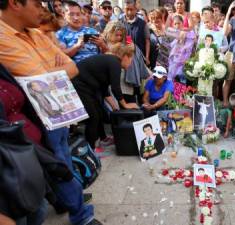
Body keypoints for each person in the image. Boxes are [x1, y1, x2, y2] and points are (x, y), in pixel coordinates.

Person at [0, 0, 102, 223]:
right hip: (35, 117)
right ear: (14, 4)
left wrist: (50, 73)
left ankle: (70, 200)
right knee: (59, 167)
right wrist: (52, 71)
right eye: (37, 4)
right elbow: (37, 78)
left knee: (64, 160)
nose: (43, 10)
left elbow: (72, 67)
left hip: (60, 112)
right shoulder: (3, 37)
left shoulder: (35, 33)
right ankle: (80, 215)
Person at [72, 44, 138, 148]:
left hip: (88, 87)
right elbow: (115, 88)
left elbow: (104, 88)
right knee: (93, 117)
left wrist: (114, 106)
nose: (130, 64)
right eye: (131, 60)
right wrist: (125, 105)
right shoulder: (115, 63)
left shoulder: (111, 62)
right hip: (80, 85)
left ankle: (102, 138)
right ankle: (91, 148)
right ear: (125, 57)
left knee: (99, 112)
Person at [120, 0, 150, 66]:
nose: (129, 12)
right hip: (124, 57)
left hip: (140, 57)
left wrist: (147, 57)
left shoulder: (142, 23)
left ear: (136, 10)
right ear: (123, 10)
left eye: (131, 9)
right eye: (127, 9)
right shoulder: (119, 23)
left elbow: (147, 41)